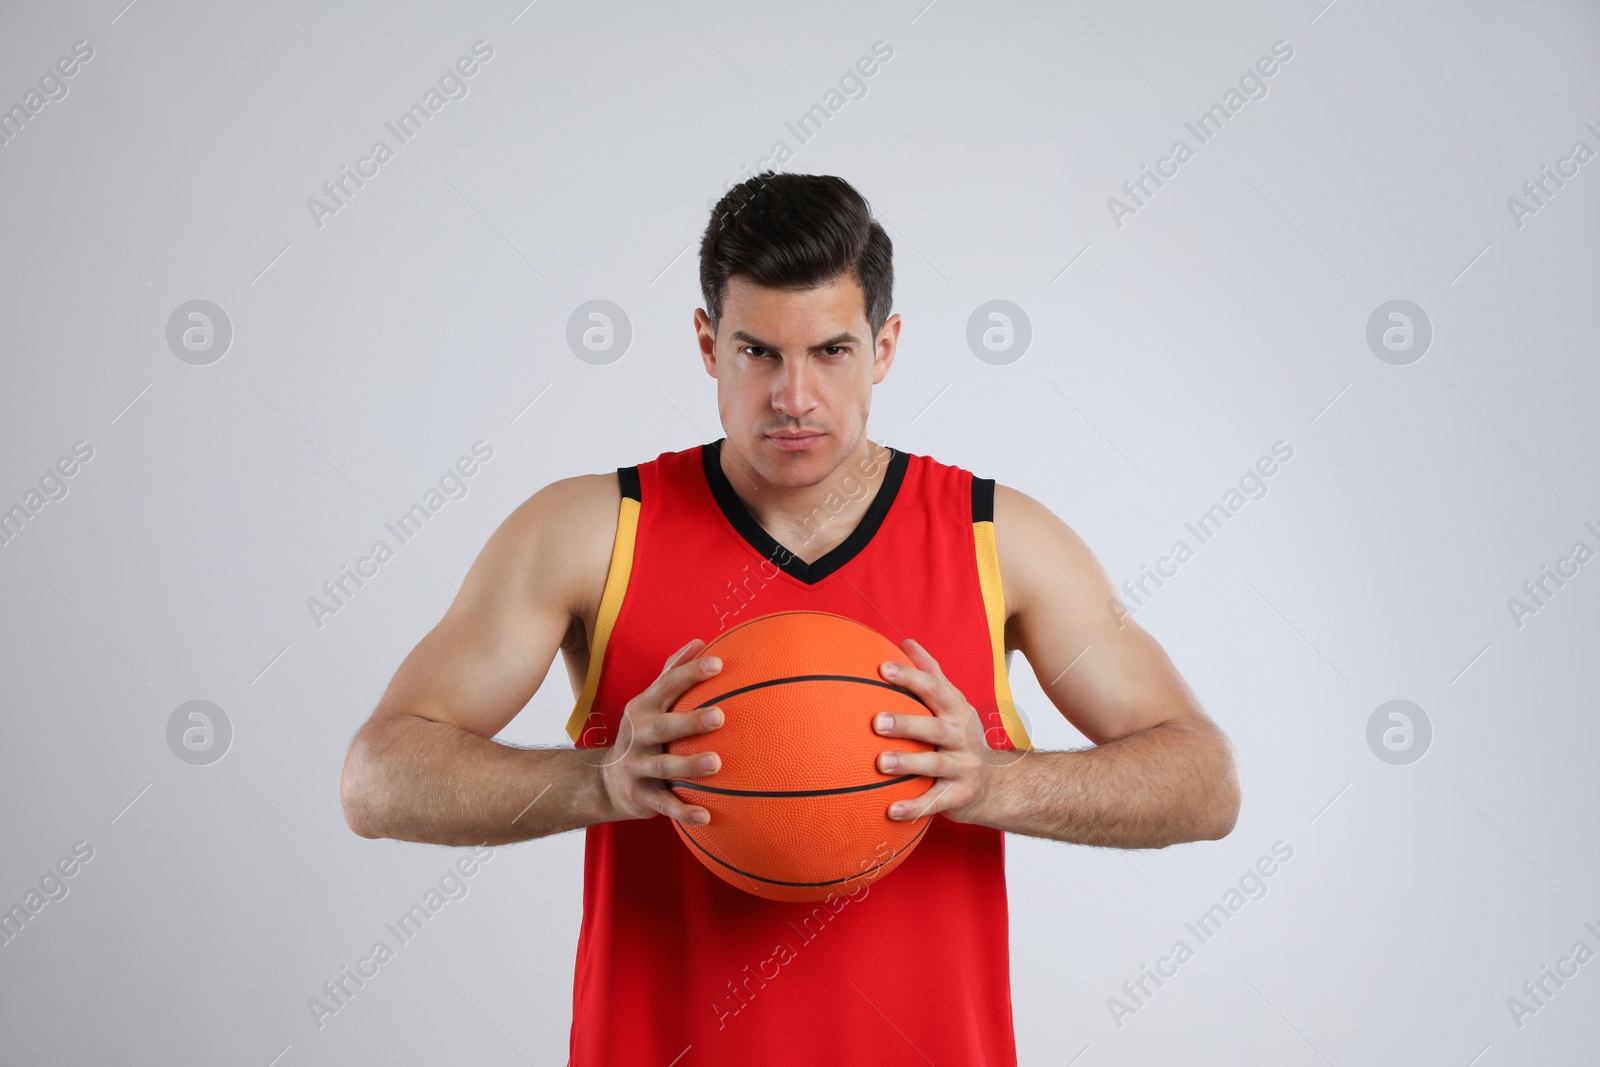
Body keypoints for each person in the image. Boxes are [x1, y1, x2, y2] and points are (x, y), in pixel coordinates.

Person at [340, 171, 1240, 1065]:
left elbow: (1203, 781)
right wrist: (603, 782)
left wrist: (993, 782)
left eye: (832, 352)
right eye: (759, 351)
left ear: (885, 346)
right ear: (707, 343)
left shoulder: (995, 539)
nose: (794, 396)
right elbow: (378, 778)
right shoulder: (590, 532)